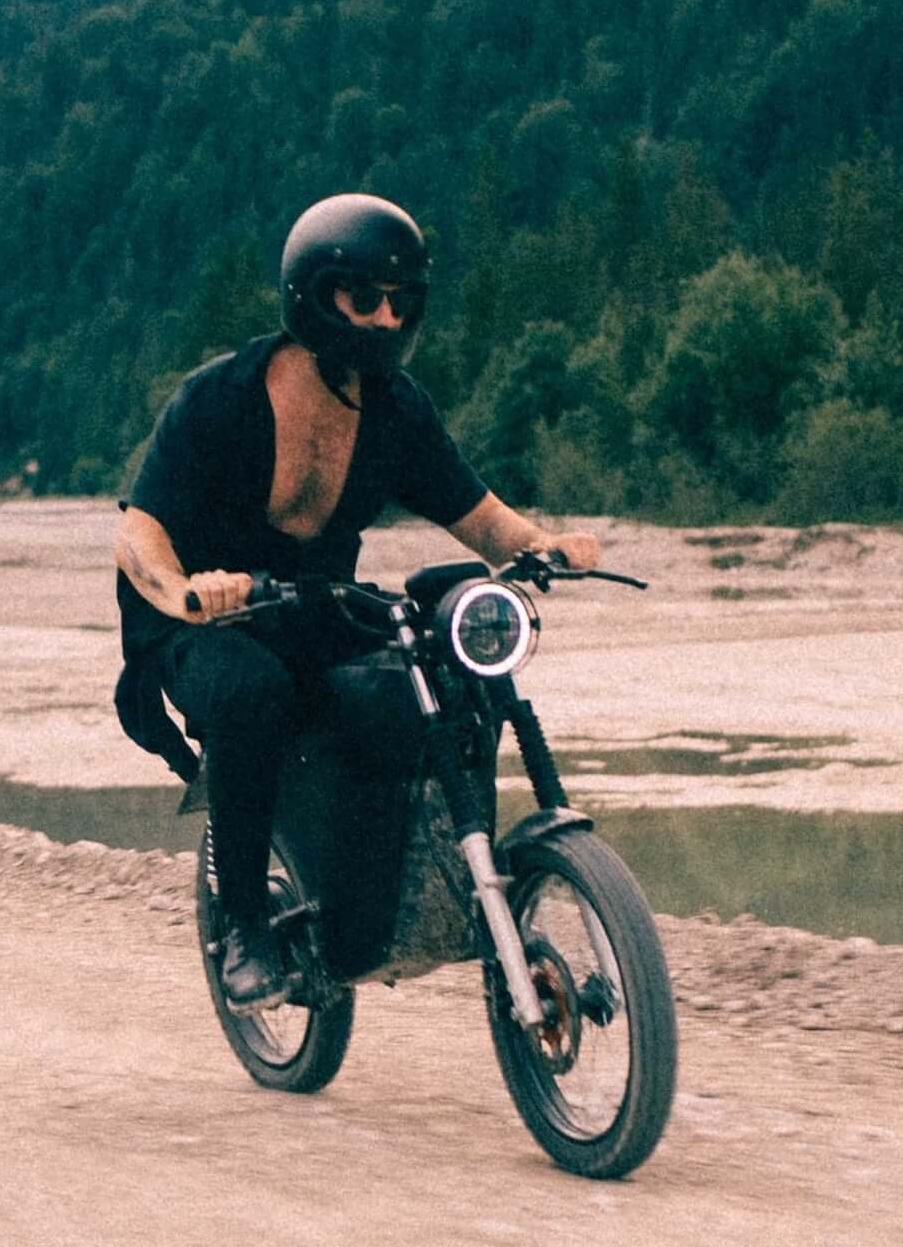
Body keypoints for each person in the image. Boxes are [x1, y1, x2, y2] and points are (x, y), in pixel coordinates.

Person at [112, 193, 605, 1008]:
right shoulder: (218, 400)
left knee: (434, 673)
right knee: (249, 690)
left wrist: (542, 547)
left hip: (313, 605)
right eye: (365, 298)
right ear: (314, 293)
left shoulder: (396, 410)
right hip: (205, 624)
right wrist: (188, 591)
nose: (384, 318)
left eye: (401, 302)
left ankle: (402, 892)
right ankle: (244, 925)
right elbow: (139, 532)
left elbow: (477, 515)